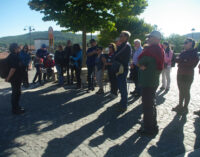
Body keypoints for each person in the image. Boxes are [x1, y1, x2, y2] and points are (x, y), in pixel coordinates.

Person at [137, 30, 164, 136]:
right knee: (151, 104)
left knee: (148, 105)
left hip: (148, 81)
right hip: (152, 80)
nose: (148, 39)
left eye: (150, 37)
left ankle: (148, 129)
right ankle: (153, 126)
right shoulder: (158, 49)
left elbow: (140, 61)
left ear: (156, 38)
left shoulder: (152, 50)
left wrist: (140, 65)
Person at [172, 38, 199, 113]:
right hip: (180, 73)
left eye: (186, 42)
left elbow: (192, 64)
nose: (184, 44)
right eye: (184, 42)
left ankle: (185, 107)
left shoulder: (194, 53)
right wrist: (183, 60)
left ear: (191, 43)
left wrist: (182, 61)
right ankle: (180, 105)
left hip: (188, 75)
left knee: (186, 91)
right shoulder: (183, 52)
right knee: (181, 90)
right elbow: (177, 60)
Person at [114, 31, 132, 112]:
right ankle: (122, 102)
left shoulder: (126, 46)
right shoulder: (122, 45)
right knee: (121, 86)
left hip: (122, 68)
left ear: (126, 37)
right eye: (120, 35)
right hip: (120, 68)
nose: (120, 37)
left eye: (121, 36)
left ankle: (124, 105)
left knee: (123, 87)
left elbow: (117, 56)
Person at [6, 43, 25, 114]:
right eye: (18, 48)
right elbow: (13, 69)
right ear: (14, 49)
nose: (19, 48)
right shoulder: (13, 56)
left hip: (17, 78)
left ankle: (17, 106)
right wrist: (8, 78)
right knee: (15, 93)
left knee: (17, 93)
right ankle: (15, 109)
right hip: (15, 79)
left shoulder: (15, 55)